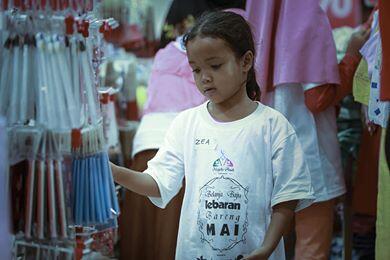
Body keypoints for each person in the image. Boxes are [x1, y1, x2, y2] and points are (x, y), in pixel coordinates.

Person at [111, 11, 314, 259]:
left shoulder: (272, 126)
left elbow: (287, 197)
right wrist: (113, 172)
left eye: (215, 66)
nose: (204, 77)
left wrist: (266, 248)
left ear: (245, 61)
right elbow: (158, 183)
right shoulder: (186, 123)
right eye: (196, 70)